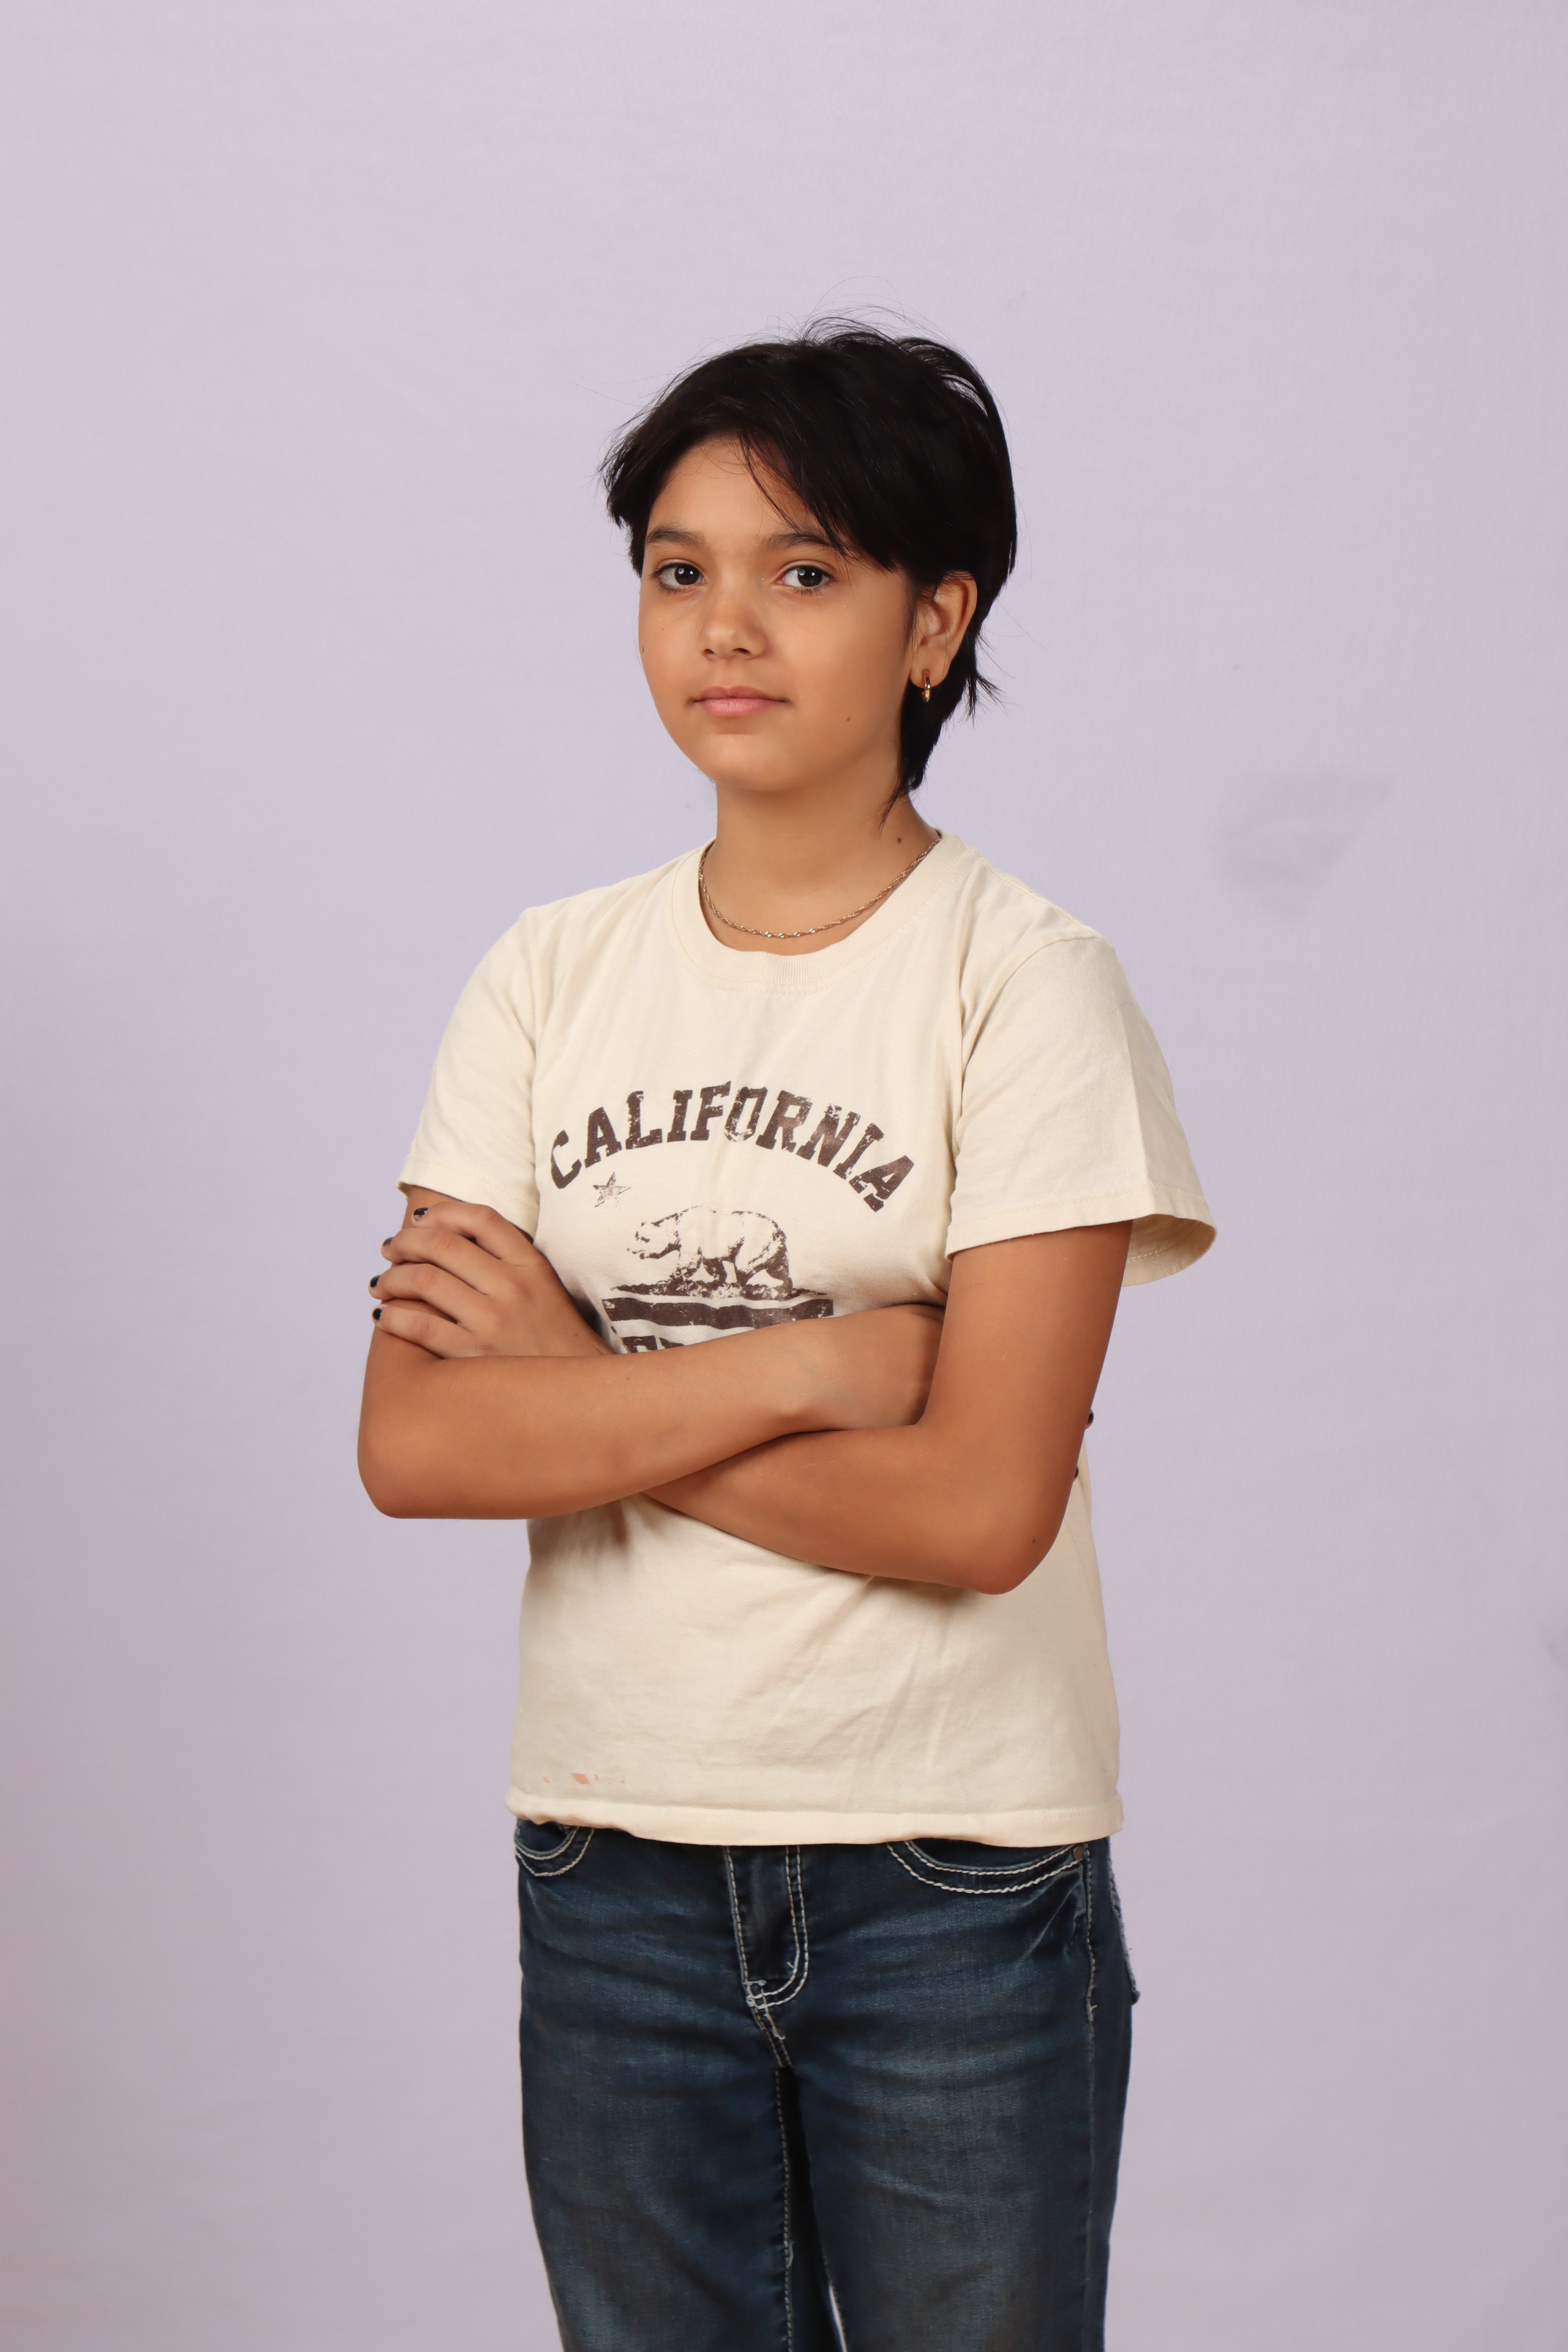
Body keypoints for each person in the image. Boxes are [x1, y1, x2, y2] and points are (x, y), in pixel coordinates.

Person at [358, 322, 1214, 2352]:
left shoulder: (1024, 987)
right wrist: (805, 1369)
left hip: (949, 1873)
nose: (724, 626)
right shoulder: (546, 974)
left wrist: (581, 1393)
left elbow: (979, 1510)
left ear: (934, 623)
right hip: (613, 1855)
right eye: (680, 570)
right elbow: (417, 1448)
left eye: (803, 571)